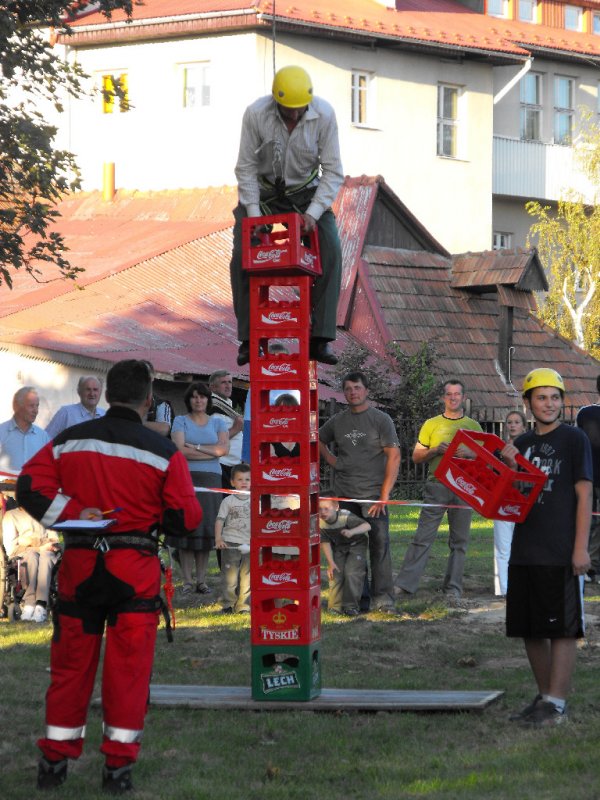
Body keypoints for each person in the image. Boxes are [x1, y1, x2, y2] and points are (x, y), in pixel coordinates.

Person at [16, 359, 201, 792]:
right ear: (149, 399)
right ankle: (117, 769)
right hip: (133, 575)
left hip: (80, 570)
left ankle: (53, 764)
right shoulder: (163, 453)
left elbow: (30, 487)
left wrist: (77, 516)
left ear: (110, 393)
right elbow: (185, 517)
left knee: (69, 669)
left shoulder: (67, 441)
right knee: (129, 673)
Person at [230, 64, 343, 367]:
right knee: (242, 254)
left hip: (307, 196)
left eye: (299, 111)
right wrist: (254, 218)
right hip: (264, 196)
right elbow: (246, 168)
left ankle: (320, 338)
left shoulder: (325, 115)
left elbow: (333, 172)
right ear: (275, 102)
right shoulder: (255, 114)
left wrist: (315, 213)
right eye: (287, 111)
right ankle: (247, 338)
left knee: (331, 250)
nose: (293, 117)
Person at [501, 368, 592, 727]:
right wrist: (508, 467)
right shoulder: (521, 444)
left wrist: (580, 548)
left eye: (555, 397)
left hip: (561, 550)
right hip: (525, 549)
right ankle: (545, 699)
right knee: (530, 627)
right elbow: (512, 499)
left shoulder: (574, 440)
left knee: (562, 628)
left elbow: (585, 495)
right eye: (541, 397)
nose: (549, 404)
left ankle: (557, 704)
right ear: (528, 403)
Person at [319, 371, 400, 612]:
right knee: (350, 546)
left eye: (356, 388)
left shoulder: (381, 419)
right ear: (343, 393)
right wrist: (332, 460)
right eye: (348, 389)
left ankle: (383, 599)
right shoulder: (338, 421)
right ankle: (356, 600)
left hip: (373, 496)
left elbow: (394, 457)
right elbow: (318, 439)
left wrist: (385, 495)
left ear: (366, 390)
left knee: (379, 544)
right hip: (344, 495)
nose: (352, 392)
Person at [394, 379, 482, 602]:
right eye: (449, 394)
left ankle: (453, 588)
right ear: (443, 398)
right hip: (437, 486)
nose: (453, 398)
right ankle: (405, 585)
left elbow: (485, 463)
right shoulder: (431, 424)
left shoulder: (474, 426)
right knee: (423, 537)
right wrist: (434, 450)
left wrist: (472, 455)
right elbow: (415, 457)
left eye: (457, 394)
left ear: (464, 398)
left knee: (459, 541)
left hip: (464, 488)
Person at [164, 382, 229, 596]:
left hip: (211, 480)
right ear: (188, 400)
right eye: (193, 397)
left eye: (202, 397)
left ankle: (201, 581)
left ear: (208, 400)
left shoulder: (218, 422)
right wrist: (211, 452)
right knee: (186, 528)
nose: (198, 400)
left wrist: (197, 447)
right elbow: (180, 451)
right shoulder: (180, 421)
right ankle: (187, 581)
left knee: (205, 530)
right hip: (185, 478)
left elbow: (223, 450)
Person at [2, 506, 60, 622]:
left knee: (46, 557)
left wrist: (28, 541)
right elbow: (12, 548)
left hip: (46, 552)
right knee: (32, 556)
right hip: (24, 554)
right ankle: (29, 603)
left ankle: (41, 605)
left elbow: (54, 539)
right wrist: (39, 544)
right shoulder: (11, 516)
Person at [319, 492, 371, 617]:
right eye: (319, 509)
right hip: (339, 547)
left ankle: (351, 606)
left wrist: (351, 531)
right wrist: (331, 563)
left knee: (352, 573)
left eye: (326, 508)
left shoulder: (346, 517)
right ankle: (334, 607)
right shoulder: (320, 523)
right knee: (336, 573)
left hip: (357, 545)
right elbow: (325, 543)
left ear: (336, 507)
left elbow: (367, 525)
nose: (323, 512)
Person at [493, 410, 527, 597]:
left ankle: (522, 585)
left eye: (516, 422)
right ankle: (503, 588)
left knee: (523, 546)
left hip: (524, 502)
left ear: (523, 425)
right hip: (503, 501)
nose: (512, 425)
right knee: (503, 546)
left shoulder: (530, 447)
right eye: (509, 422)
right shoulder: (498, 449)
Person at [214, 462, 251, 613]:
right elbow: (219, 520)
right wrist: (218, 539)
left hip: (249, 543)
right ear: (232, 482)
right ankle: (228, 603)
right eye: (240, 479)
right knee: (230, 576)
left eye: (247, 479)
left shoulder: (257, 501)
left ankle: (243, 605)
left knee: (247, 576)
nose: (244, 482)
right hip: (230, 542)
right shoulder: (227, 501)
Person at [576, 375, 600, 583]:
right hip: (589, 477)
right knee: (588, 520)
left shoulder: (585, 413)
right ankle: (589, 567)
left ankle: (594, 566)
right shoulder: (586, 414)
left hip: (590, 475)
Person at [0, 387, 50, 474]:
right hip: (6, 486)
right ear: (17, 406)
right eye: (31, 406)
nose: (36, 411)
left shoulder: (43, 437)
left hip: (35, 486)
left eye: (37, 406)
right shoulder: (2, 432)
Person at [209, 370, 244, 488]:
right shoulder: (213, 406)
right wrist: (236, 428)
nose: (228, 385)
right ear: (213, 387)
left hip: (233, 466)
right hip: (222, 465)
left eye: (230, 382)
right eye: (224, 382)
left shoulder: (226, 405)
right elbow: (212, 439)